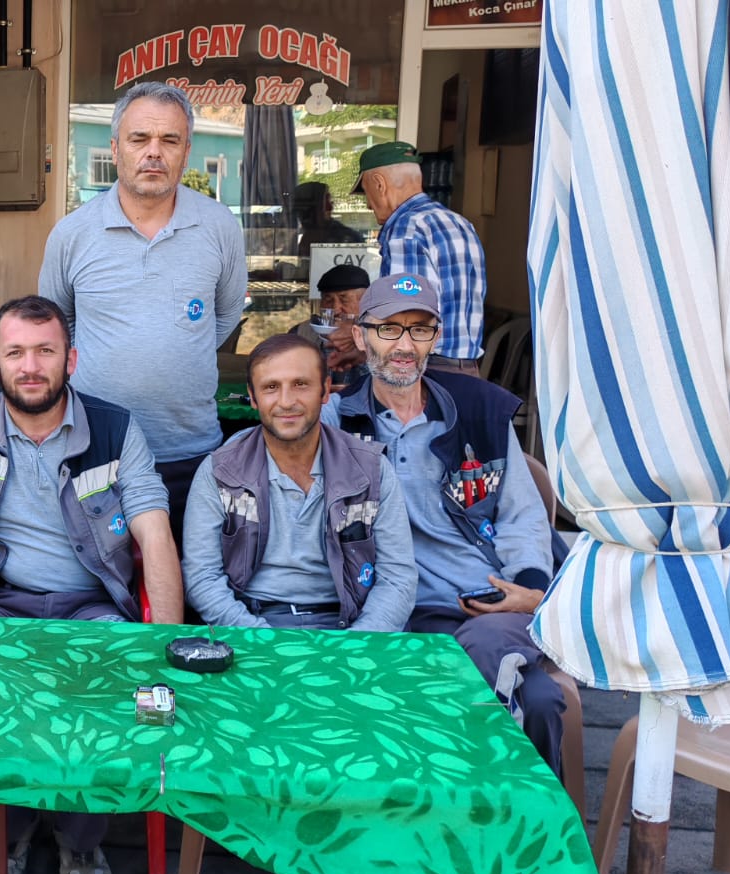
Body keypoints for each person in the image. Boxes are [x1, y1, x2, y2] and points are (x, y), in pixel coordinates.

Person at [0, 295, 183, 874]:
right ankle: (11, 833)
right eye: (16, 353)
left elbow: (154, 535)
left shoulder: (114, 430)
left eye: (45, 351)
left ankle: (79, 839)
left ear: (70, 360)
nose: (30, 366)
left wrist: (160, 644)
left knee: (104, 689)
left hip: (91, 604)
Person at [323, 273, 565, 774]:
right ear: (361, 336)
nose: (404, 345)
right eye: (388, 329)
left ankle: (528, 821)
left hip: (486, 604)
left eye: (420, 329)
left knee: (537, 700)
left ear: (436, 339)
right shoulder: (337, 422)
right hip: (392, 610)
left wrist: (530, 589)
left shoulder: (480, 412)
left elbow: (522, 516)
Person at [38, 81, 248, 537]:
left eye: (169, 140)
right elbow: (55, 330)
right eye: (139, 139)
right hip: (96, 450)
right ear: (115, 148)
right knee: (101, 574)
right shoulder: (72, 234)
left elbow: (225, 315)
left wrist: (174, 349)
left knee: (190, 574)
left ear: (186, 151)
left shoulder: (219, 227)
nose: (154, 152)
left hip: (190, 453)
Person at [183, 333, 415, 632]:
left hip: (351, 623)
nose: (286, 401)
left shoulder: (371, 469)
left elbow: (397, 578)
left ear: (325, 390)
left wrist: (357, 642)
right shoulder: (220, 471)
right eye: (271, 387)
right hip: (251, 622)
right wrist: (261, 638)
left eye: (300, 384)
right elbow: (202, 578)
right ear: (253, 397)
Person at [353, 141, 488, 376]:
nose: (367, 204)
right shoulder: (460, 223)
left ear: (379, 184)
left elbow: (402, 317)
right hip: (467, 370)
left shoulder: (406, 227)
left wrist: (356, 336)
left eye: (366, 192)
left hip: (425, 371)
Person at [290, 263, 369, 383]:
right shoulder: (300, 333)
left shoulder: (378, 334)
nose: (336, 309)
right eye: (328, 300)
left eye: (344, 300)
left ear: (365, 302)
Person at [292, 180, 364, 259]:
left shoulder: (347, 239)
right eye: (325, 202)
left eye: (329, 200)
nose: (330, 207)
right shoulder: (295, 239)